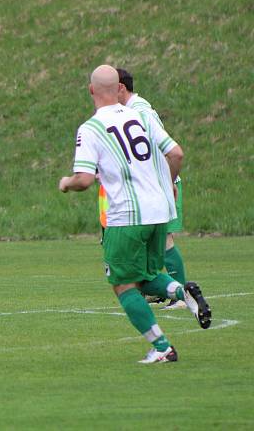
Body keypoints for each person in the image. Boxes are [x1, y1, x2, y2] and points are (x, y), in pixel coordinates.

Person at [59, 64, 211, 364]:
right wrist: (168, 184)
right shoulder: (141, 114)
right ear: (118, 88)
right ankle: (182, 292)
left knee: (123, 284)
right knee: (148, 275)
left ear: (91, 90)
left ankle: (162, 347)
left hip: (127, 216)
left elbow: (84, 179)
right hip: (159, 211)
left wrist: (66, 182)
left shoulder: (91, 128)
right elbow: (176, 153)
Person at [116, 68, 187, 309]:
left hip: (161, 183)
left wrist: (168, 182)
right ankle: (159, 288)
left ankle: (182, 291)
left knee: (165, 239)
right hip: (152, 184)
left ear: (121, 88)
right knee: (152, 243)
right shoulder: (131, 111)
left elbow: (166, 149)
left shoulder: (141, 111)